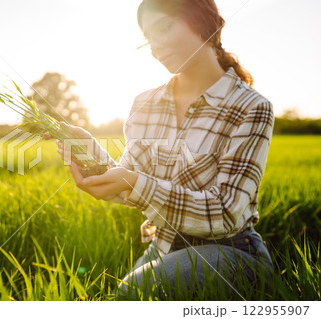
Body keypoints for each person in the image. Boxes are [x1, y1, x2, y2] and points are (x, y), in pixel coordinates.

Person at [44, 0, 274, 300]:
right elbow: (131, 183)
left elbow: (226, 213)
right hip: (163, 244)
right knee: (119, 299)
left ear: (202, 22)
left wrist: (134, 182)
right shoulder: (144, 104)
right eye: (148, 38)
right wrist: (90, 153)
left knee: (132, 293)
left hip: (233, 251)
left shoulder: (251, 107)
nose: (155, 46)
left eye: (163, 29)